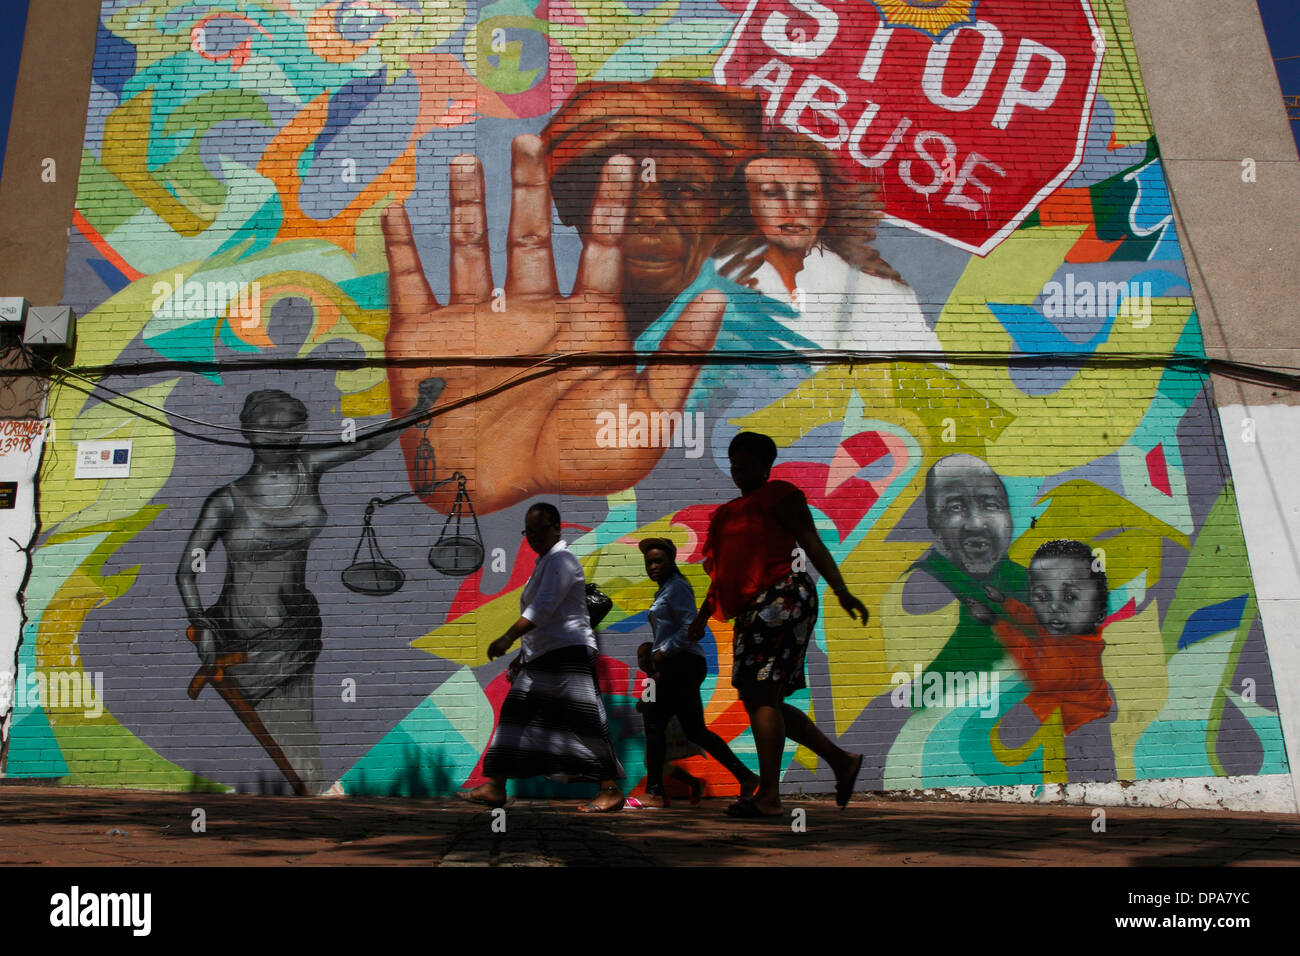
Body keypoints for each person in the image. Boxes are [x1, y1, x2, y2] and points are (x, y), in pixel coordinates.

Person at [383, 80, 765, 517]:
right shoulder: (524, 326)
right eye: (624, 194)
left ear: (725, 211)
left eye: (687, 191)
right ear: (569, 206)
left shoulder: (758, 350)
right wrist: (472, 462)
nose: (651, 215)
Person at [177, 379, 442, 794]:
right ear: (247, 430)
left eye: (290, 428)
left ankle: (311, 791)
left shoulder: (309, 467)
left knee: (298, 727)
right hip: (243, 632)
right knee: (285, 732)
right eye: (270, 428)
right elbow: (186, 572)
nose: (280, 437)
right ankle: (310, 791)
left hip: (297, 627)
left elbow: (368, 444)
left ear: (301, 431)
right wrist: (201, 624)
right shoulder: (226, 501)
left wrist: (419, 407)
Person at [686, 432, 869, 817]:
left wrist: (841, 590)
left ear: (766, 466)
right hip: (753, 609)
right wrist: (702, 616)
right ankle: (841, 761)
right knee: (760, 699)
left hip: (781, 597)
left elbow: (811, 541)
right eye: (734, 462)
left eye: (747, 462)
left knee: (761, 694)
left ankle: (769, 796)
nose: (738, 469)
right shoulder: (725, 514)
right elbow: (724, 575)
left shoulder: (781, 495)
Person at [713, 129, 941, 355]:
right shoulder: (714, 281)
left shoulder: (880, 292)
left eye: (807, 193)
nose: (792, 208)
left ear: (824, 207)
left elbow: (929, 367)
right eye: (772, 193)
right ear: (748, 206)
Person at [460, 503, 626, 812]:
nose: (534, 536)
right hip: (542, 656)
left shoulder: (562, 561)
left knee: (583, 719)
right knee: (515, 714)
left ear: (557, 528)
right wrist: (522, 656)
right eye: (529, 531)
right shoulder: (545, 563)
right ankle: (496, 785)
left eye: (540, 529)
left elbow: (543, 608)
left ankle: (610, 789)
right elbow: (544, 618)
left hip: (568, 653)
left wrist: (508, 637)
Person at [969, 539, 1116, 780]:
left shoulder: (1075, 656)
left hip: (1083, 722)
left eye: (1070, 596)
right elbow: (1031, 619)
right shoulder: (1065, 630)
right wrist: (1004, 602)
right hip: (1067, 705)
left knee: (1086, 775)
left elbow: (1029, 656)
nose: (1054, 606)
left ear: (1101, 610)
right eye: (1042, 596)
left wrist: (994, 621)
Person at [635, 537, 758, 808]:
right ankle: (745, 776)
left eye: (658, 561)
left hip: (681, 663)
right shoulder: (666, 590)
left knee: (654, 721)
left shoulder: (676, 587)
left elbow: (689, 627)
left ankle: (655, 792)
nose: (652, 566)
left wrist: (662, 651)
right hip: (681, 665)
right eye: (648, 562)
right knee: (695, 731)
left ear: (671, 561)